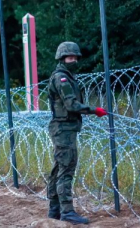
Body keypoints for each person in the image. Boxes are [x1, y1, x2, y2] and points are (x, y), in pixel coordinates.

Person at [47, 42, 108, 225]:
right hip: (63, 128)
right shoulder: (62, 78)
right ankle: (66, 211)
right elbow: (71, 105)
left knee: (59, 168)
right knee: (66, 169)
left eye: (75, 57)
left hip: (65, 128)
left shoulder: (67, 76)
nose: (73, 60)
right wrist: (93, 110)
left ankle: (54, 209)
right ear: (62, 58)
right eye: (69, 57)